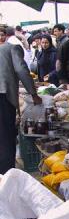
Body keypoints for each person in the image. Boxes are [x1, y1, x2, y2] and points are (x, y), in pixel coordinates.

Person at [0, 42, 41, 174]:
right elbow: (21, 70)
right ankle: (8, 175)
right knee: (5, 137)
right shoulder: (13, 48)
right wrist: (33, 93)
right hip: (2, 96)